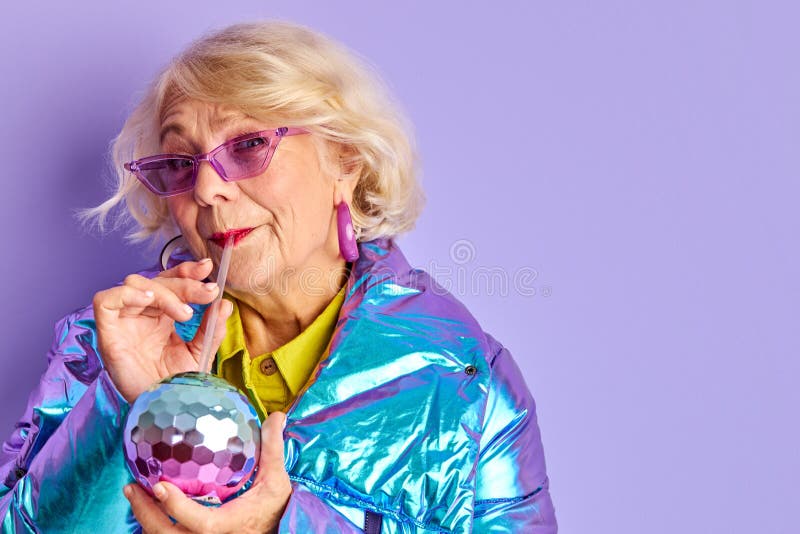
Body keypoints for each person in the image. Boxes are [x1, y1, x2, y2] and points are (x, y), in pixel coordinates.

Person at [0, 20, 557, 533]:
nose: (206, 190)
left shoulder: (469, 380)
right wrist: (122, 405)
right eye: (179, 163)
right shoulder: (98, 347)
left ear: (346, 162)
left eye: (247, 146)